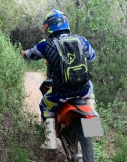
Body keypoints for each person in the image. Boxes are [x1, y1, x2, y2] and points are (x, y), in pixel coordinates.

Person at [23, 9, 96, 149]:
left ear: (48, 27)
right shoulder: (81, 40)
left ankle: (50, 141)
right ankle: (92, 125)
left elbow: (31, 55)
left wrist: (24, 53)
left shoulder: (45, 44)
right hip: (83, 90)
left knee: (44, 105)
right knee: (90, 87)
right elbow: (92, 57)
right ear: (66, 24)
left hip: (61, 94)